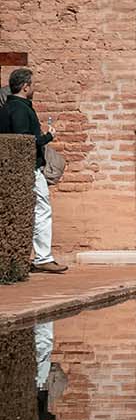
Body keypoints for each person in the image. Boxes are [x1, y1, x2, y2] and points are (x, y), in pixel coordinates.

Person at [1, 68, 65, 273]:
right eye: (33, 85)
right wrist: (48, 137)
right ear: (25, 86)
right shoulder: (20, 109)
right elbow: (25, 140)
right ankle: (43, 258)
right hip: (28, 169)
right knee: (42, 210)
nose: (34, 88)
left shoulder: (8, 107)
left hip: (17, 169)